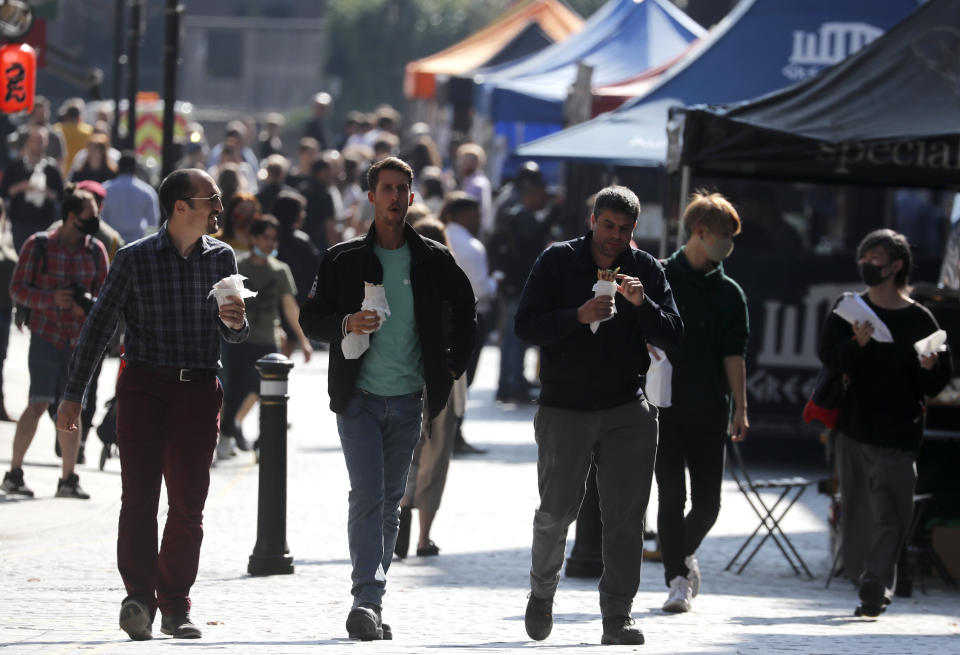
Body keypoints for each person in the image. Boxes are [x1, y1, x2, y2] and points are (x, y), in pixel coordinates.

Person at [55, 168, 249, 641]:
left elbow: (234, 333)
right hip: (144, 389)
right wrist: (73, 395)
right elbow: (99, 327)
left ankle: (175, 605)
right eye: (211, 199)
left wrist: (237, 321)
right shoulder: (134, 258)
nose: (219, 208)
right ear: (181, 207)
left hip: (199, 392)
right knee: (138, 500)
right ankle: (138, 597)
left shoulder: (222, 257)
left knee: (188, 505)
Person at [299, 156, 476, 641]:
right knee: (369, 496)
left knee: (392, 501)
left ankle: (369, 603)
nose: (395, 197)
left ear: (412, 198)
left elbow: (467, 309)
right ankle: (366, 599)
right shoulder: (343, 259)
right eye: (387, 188)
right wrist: (346, 324)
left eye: (403, 189)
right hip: (358, 398)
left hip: (408, 399)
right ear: (371, 196)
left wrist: (452, 365)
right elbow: (308, 319)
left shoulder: (434, 259)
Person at [516, 185, 683, 646]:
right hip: (564, 406)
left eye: (625, 230)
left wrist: (641, 304)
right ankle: (542, 592)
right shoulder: (556, 261)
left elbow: (674, 333)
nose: (615, 237)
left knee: (627, 518)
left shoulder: (645, 269)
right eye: (608, 226)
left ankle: (618, 615)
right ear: (593, 220)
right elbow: (524, 326)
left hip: (626, 406)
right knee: (555, 512)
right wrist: (577, 314)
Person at [818, 228, 951, 618]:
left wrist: (930, 366)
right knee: (857, 513)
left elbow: (937, 381)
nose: (867, 266)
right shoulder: (848, 310)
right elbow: (829, 357)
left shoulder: (920, 319)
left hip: (900, 431)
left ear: (896, 266)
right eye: (864, 258)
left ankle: (875, 583)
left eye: (875, 259)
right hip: (854, 429)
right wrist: (856, 345)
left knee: (892, 512)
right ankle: (867, 576)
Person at [654, 192, 750, 614]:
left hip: (711, 408)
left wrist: (742, 408)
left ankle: (680, 554)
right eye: (724, 235)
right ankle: (677, 578)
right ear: (700, 232)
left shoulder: (729, 293)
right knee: (670, 496)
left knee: (708, 503)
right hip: (664, 407)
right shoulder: (659, 276)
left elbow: (735, 353)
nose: (728, 243)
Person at [1, 186, 108, 499]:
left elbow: (107, 296)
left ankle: (68, 479)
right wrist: (50, 300)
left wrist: (85, 305)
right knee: (38, 403)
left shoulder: (95, 250)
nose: (95, 221)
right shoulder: (39, 245)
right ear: (72, 217)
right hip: (46, 335)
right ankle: (14, 473)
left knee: (72, 408)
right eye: (90, 215)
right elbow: (17, 290)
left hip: (79, 343)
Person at [395, 217, 466, 559]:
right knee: (435, 457)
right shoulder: (453, 280)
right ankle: (423, 537)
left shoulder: (401, 279)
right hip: (445, 376)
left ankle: (399, 516)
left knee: (405, 449)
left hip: (406, 370)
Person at [219, 215, 311, 457]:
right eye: (265, 237)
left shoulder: (280, 271)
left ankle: (265, 441)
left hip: (269, 340)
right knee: (237, 388)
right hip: (241, 339)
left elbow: (290, 306)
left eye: (273, 238)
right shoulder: (239, 266)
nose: (270, 243)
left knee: (268, 390)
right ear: (253, 238)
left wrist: (303, 340)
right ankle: (227, 435)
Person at [2, 125, 64, 251]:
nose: (38, 144)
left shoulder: (51, 168)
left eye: (41, 140)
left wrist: (46, 192)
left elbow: (61, 196)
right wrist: (21, 187)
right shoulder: (16, 167)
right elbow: (4, 192)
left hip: (44, 224)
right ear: (28, 141)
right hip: (20, 224)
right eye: (35, 140)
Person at [101, 151, 161, 244]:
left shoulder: (105, 189)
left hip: (111, 243)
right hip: (138, 244)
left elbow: (101, 219)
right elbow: (153, 224)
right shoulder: (147, 191)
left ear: (118, 167)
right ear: (135, 168)